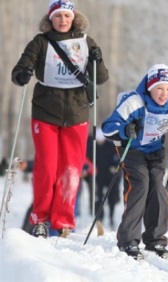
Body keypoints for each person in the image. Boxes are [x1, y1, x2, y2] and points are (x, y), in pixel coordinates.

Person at [11, 0, 109, 238]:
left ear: (73, 17)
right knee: (47, 167)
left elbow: (102, 78)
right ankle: (41, 219)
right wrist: (23, 74)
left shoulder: (86, 42)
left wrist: (97, 59)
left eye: (66, 16)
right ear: (51, 18)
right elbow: (19, 72)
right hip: (45, 113)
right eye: (58, 16)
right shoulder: (41, 42)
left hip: (77, 114)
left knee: (71, 170)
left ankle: (63, 222)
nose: (63, 20)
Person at [102, 64, 168, 260]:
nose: (164, 94)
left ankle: (155, 240)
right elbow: (108, 127)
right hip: (132, 151)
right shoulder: (135, 102)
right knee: (141, 185)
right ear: (150, 86)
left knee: (159, 188)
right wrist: (125, 130)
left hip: (156, 151)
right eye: (159, 88)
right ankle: (128, 240)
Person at [93, 128, 121, 229]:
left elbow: (117, 157)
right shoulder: (93, 146)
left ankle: (111, 216)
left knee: (111, 197)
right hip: (98, 175)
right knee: (99, 197)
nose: (100, 142)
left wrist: (115, 166)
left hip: (110, 174)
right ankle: (100, 217)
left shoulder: (110, 146)